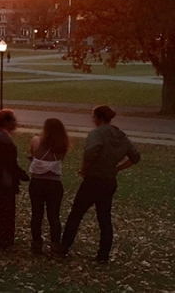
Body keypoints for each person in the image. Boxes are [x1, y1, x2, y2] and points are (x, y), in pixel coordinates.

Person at [57, 106, 141, 264]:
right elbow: (135, 157)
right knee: (104, 219)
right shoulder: (122, 136)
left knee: (76, 214)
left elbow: (90, 152)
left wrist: (84, 169)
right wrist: (117, 168)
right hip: (109, 181)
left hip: (93, 179)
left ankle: (64, 247)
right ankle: (103, 255)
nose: (92, 120)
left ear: (99, 118)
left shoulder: (97, 133)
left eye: (93, 117)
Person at [0, 110, 29, 249]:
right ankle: (2, 239)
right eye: (13, 120)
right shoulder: (3, 140)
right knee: (3, 211)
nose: (16, 123)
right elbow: (8, 163)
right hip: (2, 181)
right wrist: (21, 175)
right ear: (6, 122)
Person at [28, 118, 69, 254]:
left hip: (38, 183)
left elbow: (33, 153)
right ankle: (55, 244)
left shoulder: (36, 140)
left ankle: (36, 243)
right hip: (54, 184)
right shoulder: (62, 145)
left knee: (37, 213)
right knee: (54, 215)